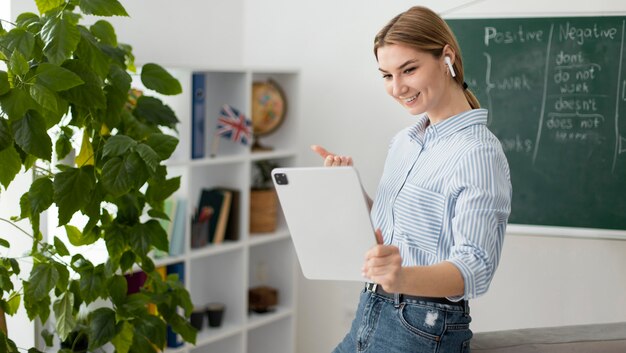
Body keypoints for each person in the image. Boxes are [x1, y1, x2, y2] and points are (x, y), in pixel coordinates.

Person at [312, 6, 512, 352]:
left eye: (409, 69)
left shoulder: (477, 152)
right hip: (371, 310)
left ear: (446, 58)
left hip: (423, 326)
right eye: (387, 75)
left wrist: (401, 277)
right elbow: (395, 228)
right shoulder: (405, 141)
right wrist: (350, 189)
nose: (397, 87)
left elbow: (475, 268)